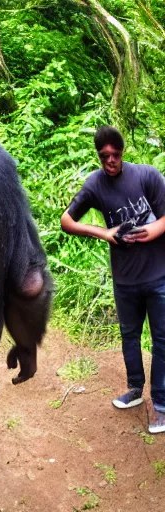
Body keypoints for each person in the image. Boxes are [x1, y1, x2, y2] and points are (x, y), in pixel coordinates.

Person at [61, 125, 165, 434]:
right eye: (104, 156)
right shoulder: (95, 185)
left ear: (122, 152)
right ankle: (135, 390)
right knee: (129, 337)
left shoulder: (146, 176)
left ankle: (160, 406)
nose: (110, 161)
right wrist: (104, 233)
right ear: (99, 155)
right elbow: (67, 221)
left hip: (159, 276)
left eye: (115, 155)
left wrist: (153, 231)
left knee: (162, 340)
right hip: (125, 280)